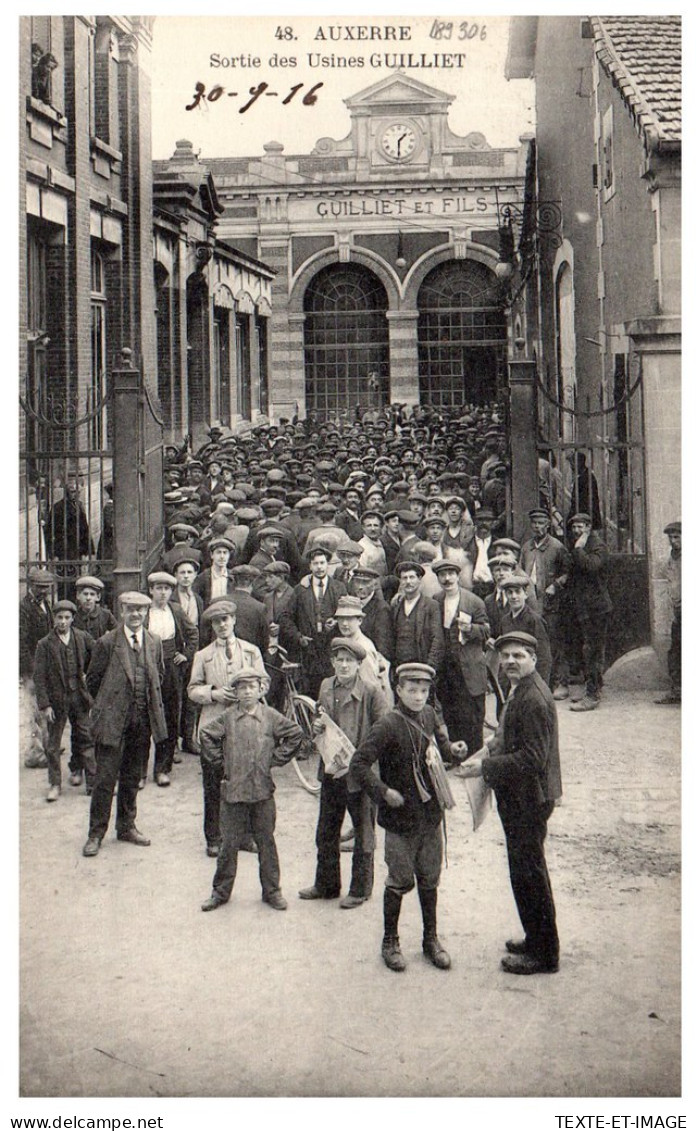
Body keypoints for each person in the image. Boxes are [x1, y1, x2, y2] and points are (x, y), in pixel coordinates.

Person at [350, 663, 466, 972]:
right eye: (411, 690)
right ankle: (390, 941)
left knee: (430, 879)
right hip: (400, 821)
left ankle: (430, 940)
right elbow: (358, 764)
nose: (418, 697)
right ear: (398, 690)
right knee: (399, 881)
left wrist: (453, 749)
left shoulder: (428, 715)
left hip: (430, 817)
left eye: (424, 691)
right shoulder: (387, 725)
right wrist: (383, 791)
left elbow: (440, 746)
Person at [458, 631, 561, 975]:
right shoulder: (522, 689)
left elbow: (532, 759)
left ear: (533, 658)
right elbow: (511, 736)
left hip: (528, 799)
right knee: (525, 871)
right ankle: (536, 938)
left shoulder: (533, 699)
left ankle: (544, 954)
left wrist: (485, 767)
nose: (511, 662)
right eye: (505, 656)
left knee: (529, 872)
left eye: (519, 655)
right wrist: (491, 746)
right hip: (524, 795)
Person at [198, 670, 305, 913]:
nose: (247, 692)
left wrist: (274, 759)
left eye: (252, 687)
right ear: (235, 693)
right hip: (234, 793)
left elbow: (295, 734)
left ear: (261, 690)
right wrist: (222, 763)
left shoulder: (270, 716)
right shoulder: (227, 718)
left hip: (262, 792)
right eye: (242, 687)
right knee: (228, 845)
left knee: (266, 843)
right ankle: (220, 892)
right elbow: (206, 734)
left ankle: (272, 891)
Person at [299, 637, 388, 908]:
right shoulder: (326, 685)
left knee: (363, 834)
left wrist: (361, 760)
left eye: (350, 660)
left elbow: (384, 732)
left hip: (360, 775)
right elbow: (321, 718)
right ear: (333, 662)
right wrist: (317, 728)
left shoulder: (373, 692)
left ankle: (360, 890)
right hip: (331, 769)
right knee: (326, 829)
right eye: (340, 659)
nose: (344, 665)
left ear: (360, 664)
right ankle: (326, 885)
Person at [82, 592, 167, 857]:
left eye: (141, 610)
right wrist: (110, 706)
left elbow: (158, 676)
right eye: (131, 610)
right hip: (112, 722)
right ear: (121, 611)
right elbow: (93, 682)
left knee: (132, 777)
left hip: (141, 722)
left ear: (146, 613)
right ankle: (96, 833)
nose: (136, 615)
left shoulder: (153, 641)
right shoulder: (107, 643)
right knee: (105, 779)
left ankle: (126, 826)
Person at [187, 600, 267, 856]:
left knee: (246, 779)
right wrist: (214, 693)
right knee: (214, 782)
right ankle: (214, 837)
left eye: (226, 620)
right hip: (215, 727)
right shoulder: (204, 655)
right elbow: (192, 689)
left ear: (234, 621)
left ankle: (245, 835)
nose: (222, 625)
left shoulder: (251, 651)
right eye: (216, 622)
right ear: (212, 626)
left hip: (246, 725)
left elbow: (264, 681)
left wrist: (252, 694)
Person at [32, 599, 96, 801]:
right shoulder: (44, 644)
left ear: (73, 619)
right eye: (59, 617)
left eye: (67, 618)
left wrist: (89, 676)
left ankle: (93, 783)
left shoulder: (82, 637)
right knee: (53, 744)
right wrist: (45, 705)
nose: (63, 621)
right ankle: (54, 784)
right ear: (54, 619)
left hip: (79, 697)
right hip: (57, 701)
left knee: (86, 738)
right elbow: (39, 677)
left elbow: (97, 656)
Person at [144, 571, 199, 787]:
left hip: (171, 668)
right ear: (151, 591)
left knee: (169, 716)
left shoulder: (176, 610)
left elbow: (193, 633)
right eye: (159, 588)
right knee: (143, 717)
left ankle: (162, 768)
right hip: (147, 665)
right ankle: (139, 772)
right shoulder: (144, 611)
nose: (163, 593)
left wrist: (186, 654)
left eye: (167, 589)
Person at [432, 560, 490, 757]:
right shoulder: (436, 600)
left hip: (469, 668)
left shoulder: (473, 601)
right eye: (442, 575)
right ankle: (457, 756)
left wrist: (471, 629)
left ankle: (475, 757)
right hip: (447, 669)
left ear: (457, 576)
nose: (447, 578)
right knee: (451, 713)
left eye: (450, 574)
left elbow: (486, 631)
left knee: (472, 717)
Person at [279, 546, 347, 699]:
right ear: (310, 566)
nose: (319, 567)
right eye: (315, 563)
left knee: (333, 691)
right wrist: (298, 637)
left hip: (332, 649)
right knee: (311, 693)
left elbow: (348, 615)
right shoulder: (300, 590)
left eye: (322, 563)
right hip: (309, 652)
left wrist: (336, 622)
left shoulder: (339, 588)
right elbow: (285, 618)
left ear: (328, 565)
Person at [520, 509, 572, 697]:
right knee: (534, 643)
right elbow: (520, 571)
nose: (537, 527)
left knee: (554, 643)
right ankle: (538, 683)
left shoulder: (557, 547)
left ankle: (561, 683)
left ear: (548, 525)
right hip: (531, 603)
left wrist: (555, 586)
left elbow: (568, 573)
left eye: (541, 523)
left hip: (551, 604)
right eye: (534, 523)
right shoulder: (526, 547)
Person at [566, 512, 612, 711]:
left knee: (592, 651)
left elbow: (591, 567)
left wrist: (577, 549)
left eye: (581, 526)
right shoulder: (580, 544)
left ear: (589, 527)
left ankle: (592, 695)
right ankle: (594, 688)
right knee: (588, 649)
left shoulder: (596, 545)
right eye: (574, 526)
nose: (577, 530)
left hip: (596, 608)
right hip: (584, 606)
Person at [19, 566, 56, 768]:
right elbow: (21, 644)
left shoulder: (46, 605)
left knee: (46, 706)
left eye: (47, 587)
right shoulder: (23, 609)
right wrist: (31, 672)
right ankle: (35, 753)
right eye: (40, 587)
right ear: (31, 586)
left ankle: (48, 744)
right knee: (34, 710)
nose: (44, 590)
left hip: (44, 666)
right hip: (31, 669)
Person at [390, 561, 444, 675]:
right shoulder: (396, 606)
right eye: (404, 578)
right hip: (400, 668)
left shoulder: (431, 605)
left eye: (412, 577)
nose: (408, 582)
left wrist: (429, 668)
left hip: (422, 666)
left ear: (419, 580)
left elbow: (437, 639)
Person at [656, 521, 681, 705]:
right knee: (675, 652)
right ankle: (677, 690)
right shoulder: (671, 559)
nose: (673, 541)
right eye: (671, 538)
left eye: (677, 537)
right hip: (678, 611)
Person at [73, 576, 117, 640]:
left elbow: (118, 634)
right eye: (85, 594)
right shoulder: (73, 616)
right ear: (78, 595)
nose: (88, 598)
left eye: (92, 594)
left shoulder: (106, 615)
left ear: (98, 597)